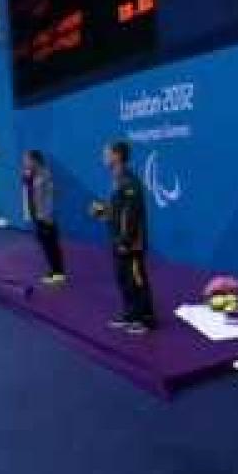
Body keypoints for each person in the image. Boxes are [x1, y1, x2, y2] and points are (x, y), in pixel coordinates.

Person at [89, 140, 154, 334]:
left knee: (136, 279)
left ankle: (147, 319)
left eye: (106, 153)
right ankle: (131, 314)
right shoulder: (118, 179)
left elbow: (131, 214)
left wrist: (125, 240)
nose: (103, 157)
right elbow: (119, 212)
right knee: (123, 280)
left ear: (117, 156)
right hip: (119, 241)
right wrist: (102, 212)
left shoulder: (129, 182)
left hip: (131, 244)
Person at [22, 150, 66, 284]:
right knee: (46, 244)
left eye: (27, 160)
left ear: (35, 160)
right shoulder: (32, 175)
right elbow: (28, 192)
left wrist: (48, 215)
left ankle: (59, 273)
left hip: (46, 216)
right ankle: (53, 270)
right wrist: (27, 178)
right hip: (37, 216)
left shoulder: (45, 175)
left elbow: (51, 196)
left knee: (52, 244)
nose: (25, 163)